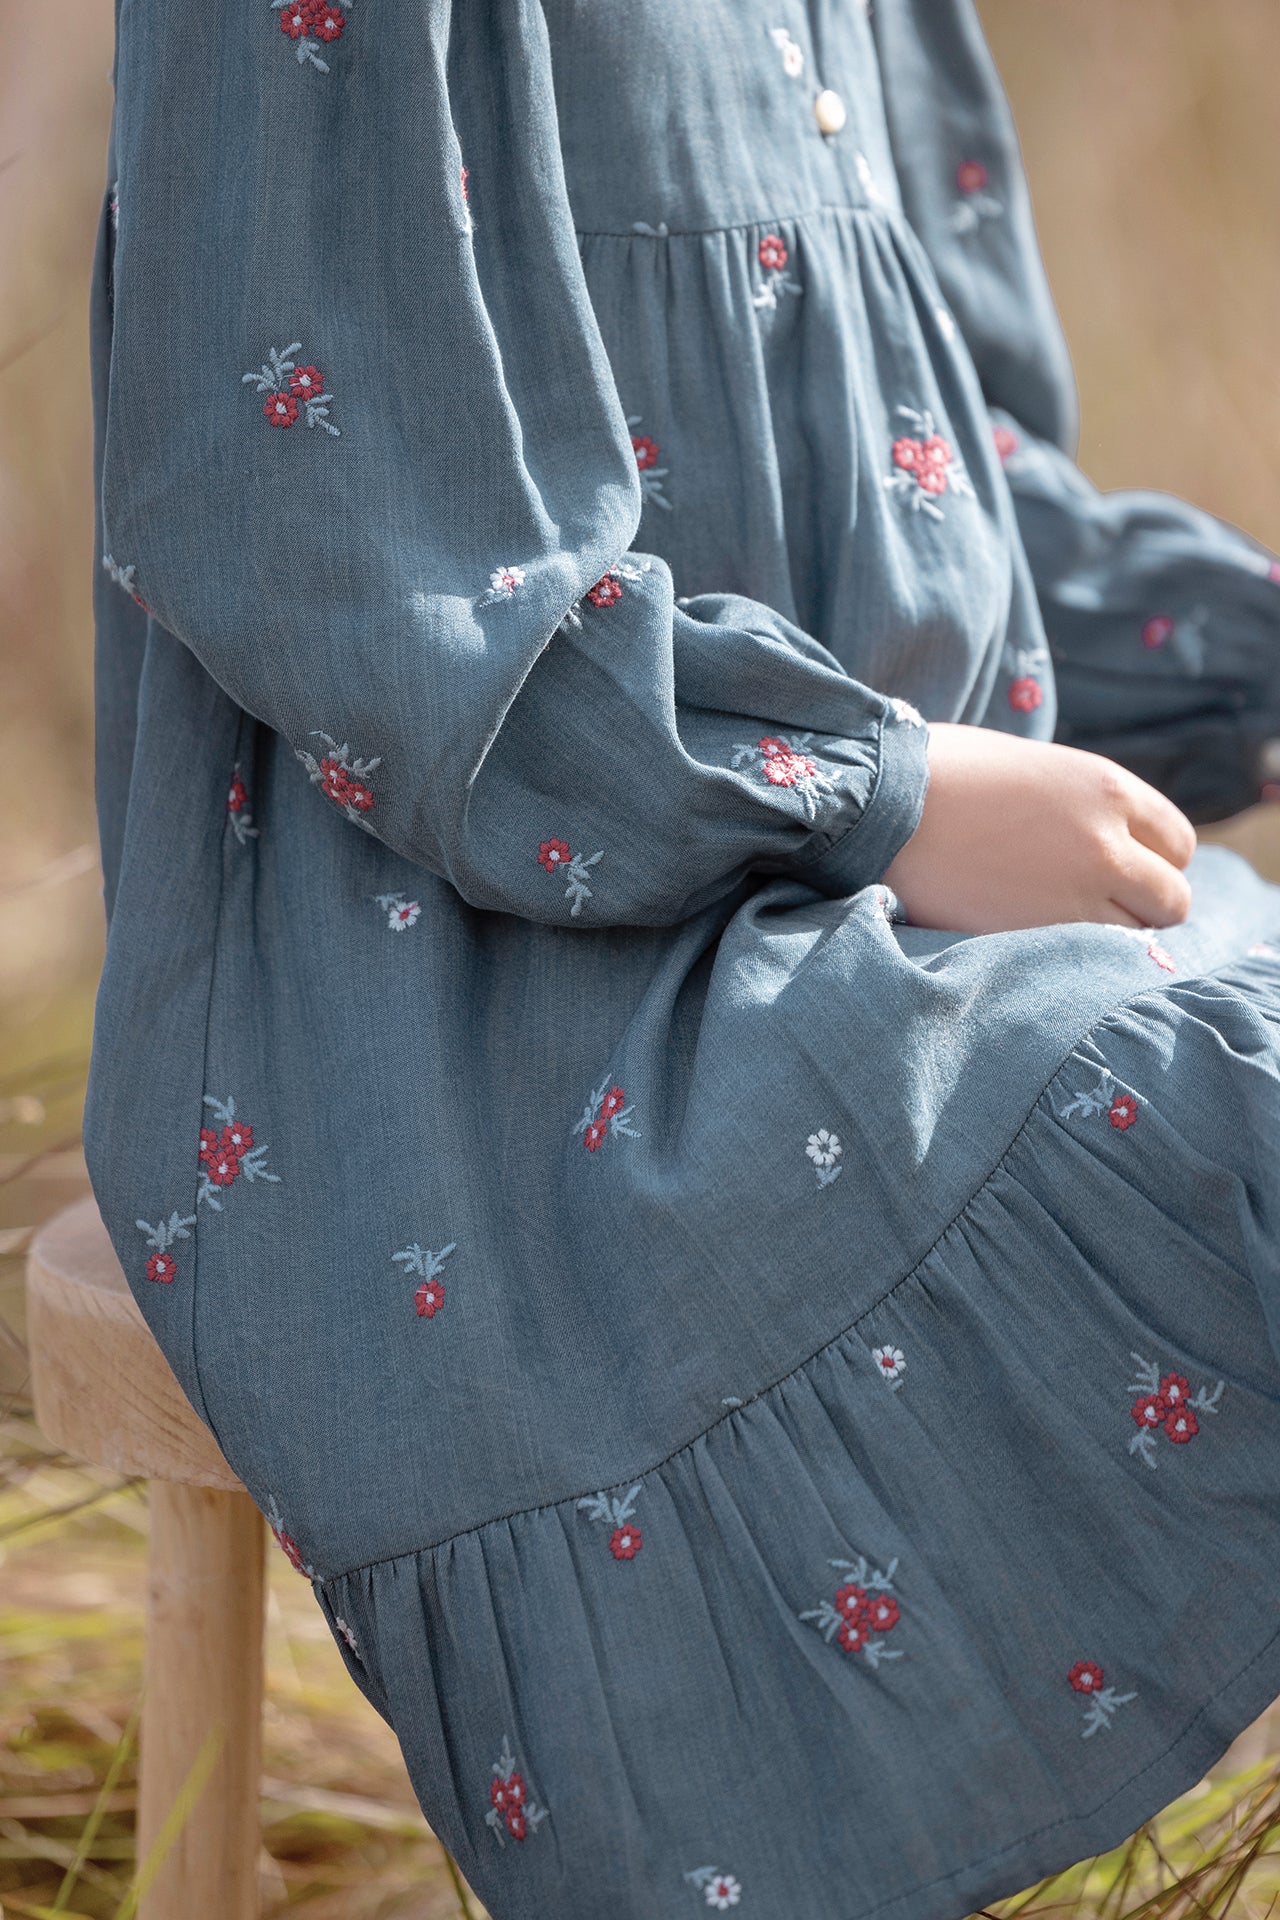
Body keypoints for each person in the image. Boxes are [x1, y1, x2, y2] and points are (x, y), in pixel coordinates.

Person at [86, 3, 1280, 1915]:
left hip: (881, 900)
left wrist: (1240, 669)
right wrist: (875, 789)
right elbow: (310, 507)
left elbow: (943, 481)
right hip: (486, 985)